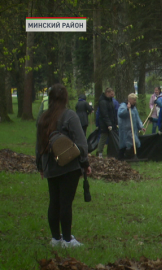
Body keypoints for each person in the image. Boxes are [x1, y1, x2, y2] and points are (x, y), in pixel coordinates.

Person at [35, 83, 92, 248]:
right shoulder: (69, 116)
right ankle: (67, 240)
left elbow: (39, 145)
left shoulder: (43, 118)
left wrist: (40, 166)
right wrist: (85, 163)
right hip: (69, 165)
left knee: (54, 202)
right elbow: (81, 143)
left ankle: (55, 238)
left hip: (50, 166)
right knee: (66, 203)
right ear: (65, 98)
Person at [117, 93, 146, 160]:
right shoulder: (123, 106)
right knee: (124, 144)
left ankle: (133, 156)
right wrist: (127, 109)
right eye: (134, 100)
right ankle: (121, 157)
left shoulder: (134, 108)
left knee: (135, 142)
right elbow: (120, 114)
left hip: (132, 129)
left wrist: (141, 126)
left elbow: (137, 118)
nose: (135, 101)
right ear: (130, 99)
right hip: (125, 130)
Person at [96, 88, 117, 158]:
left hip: (111, 122)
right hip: (104, 123)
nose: (112, 96)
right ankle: (99, 152)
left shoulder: (110, 101)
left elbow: (113, 113)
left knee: (111, 138)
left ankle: (111, 152)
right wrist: (108, 124)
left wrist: (115, 122)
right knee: (103, 138)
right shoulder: (102, 102)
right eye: (111, 94)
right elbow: (104, 114)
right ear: (107, 93)